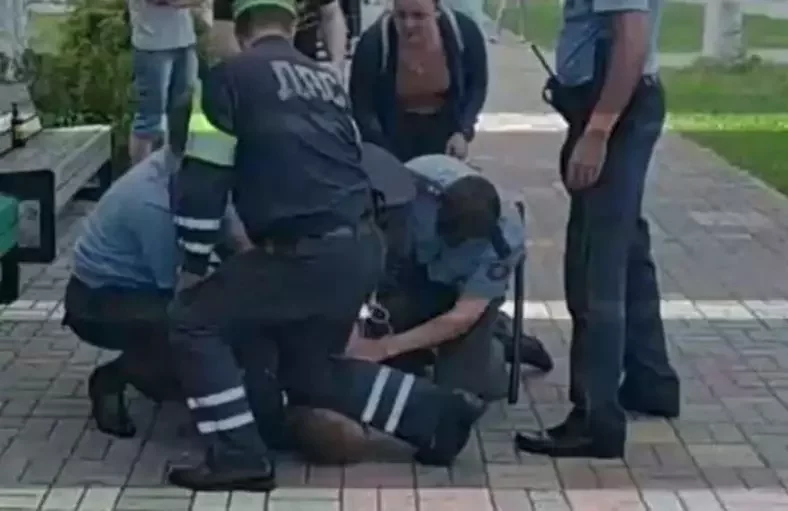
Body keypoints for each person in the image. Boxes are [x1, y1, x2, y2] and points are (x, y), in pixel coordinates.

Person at [166, 0, 485, 491]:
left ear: (241, 31)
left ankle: (238, 456)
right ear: (292, 25)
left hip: (303, 250)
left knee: (193, 319)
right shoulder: (326, 81)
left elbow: (203, 180)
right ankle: (439, 416)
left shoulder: (225, 79)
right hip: (361, 246)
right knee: (309, 368)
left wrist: (193, 261)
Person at [513, 0, 680, 459]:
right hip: (616, 103)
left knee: (595, 264)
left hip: (613, 110)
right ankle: (650, 379)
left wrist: (598, 131)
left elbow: (631, 37)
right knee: (626, 244)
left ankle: (595, 419)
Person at [63, 107, 246, 440]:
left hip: (140, 284)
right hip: (99, 300)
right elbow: (179, 287)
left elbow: (229, 234)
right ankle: (114, 378)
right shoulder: (153, 202)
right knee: (192, 324)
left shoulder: (191, 171)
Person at [346, 154, 546, 401]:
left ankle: (500, 340)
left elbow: (462, 316)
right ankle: (421, 342)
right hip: (411, 274)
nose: (455, 242)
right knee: (389, 352)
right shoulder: (415, 182)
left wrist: (385, 347)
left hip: (465, 295)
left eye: (464, 240)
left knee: (463, 387)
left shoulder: (505, 241)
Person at [348, 0, 488, 162]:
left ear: (436, 11)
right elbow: (362, 105)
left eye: (419, 16)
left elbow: (477, 86)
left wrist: (462, 131)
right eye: (401, 15)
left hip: (445, 129)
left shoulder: (464, 33)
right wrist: (382, 151)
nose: (409, 25)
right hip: (393, 134)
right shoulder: (374, 43)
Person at [127, 0, 201, 164]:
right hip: (153, 46)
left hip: (185, 42)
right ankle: (141, 175)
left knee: (181, 118)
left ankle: (174, 171)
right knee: (149, 119)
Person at [211, 0, 348, 68]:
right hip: (253, 54)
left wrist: (336, 65)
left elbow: (331, 14)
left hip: (303, 55)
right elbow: (223, 30)